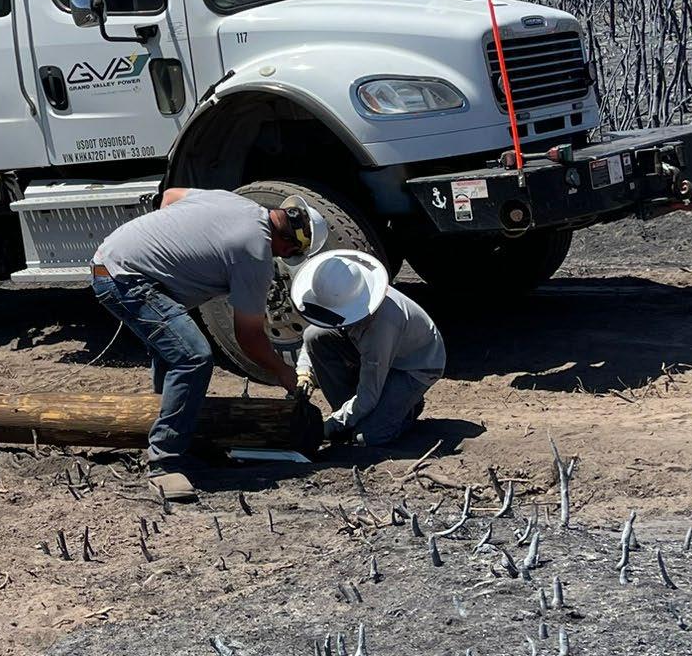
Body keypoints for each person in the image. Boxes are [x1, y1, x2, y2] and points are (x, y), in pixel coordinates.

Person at [90, 189, 326, 491]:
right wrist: (283, 373)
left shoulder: (237, 202)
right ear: (289, 244)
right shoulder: (256, 252)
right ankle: (165, 462)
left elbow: (170, 197)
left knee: (174, 352)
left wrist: (167, 249)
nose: (281, 257)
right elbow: (249, 336)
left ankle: (173, 432)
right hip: (124, 278)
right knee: (193, 357)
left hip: (113, 259)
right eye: (288, 254)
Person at [290, 249, 445, 448]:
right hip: (381, 352)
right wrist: (304, 372)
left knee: (369, 437)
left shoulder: (381, 327)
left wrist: (330, 426)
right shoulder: (343, 297)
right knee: (315, 335)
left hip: (414, 367)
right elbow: (314, 330)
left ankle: (408, 408)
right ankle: (354, 414)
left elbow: (369, 396)